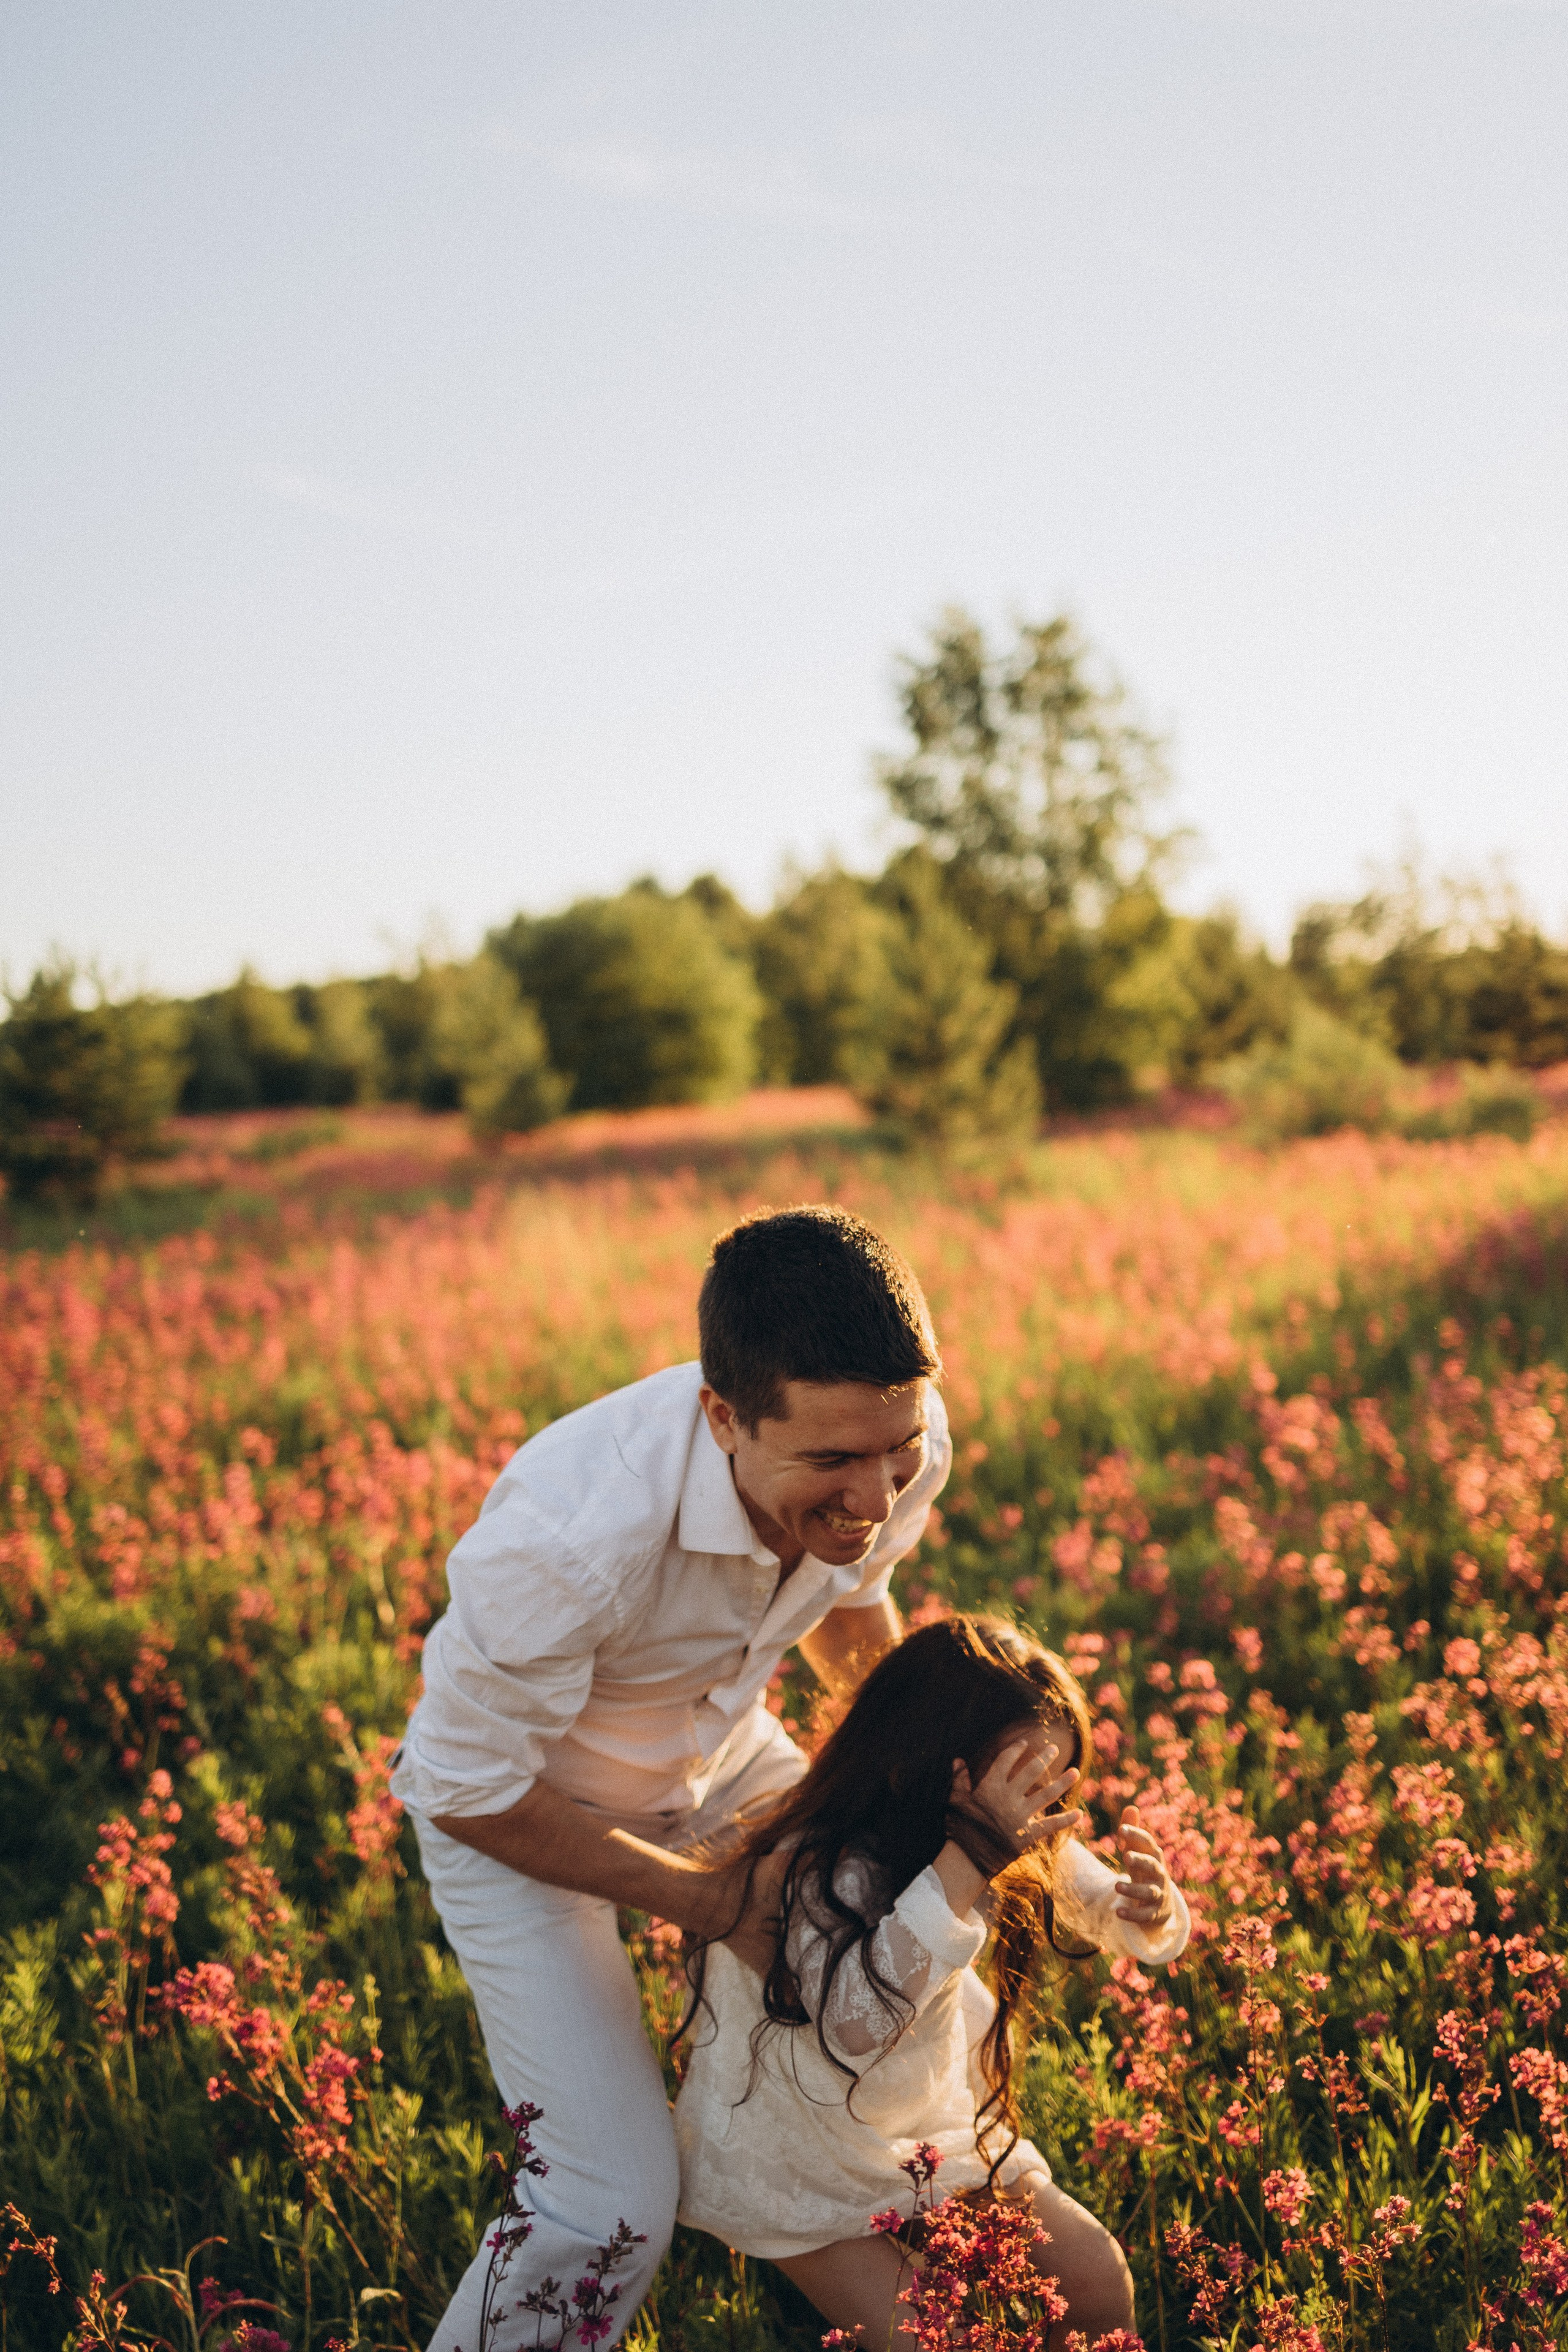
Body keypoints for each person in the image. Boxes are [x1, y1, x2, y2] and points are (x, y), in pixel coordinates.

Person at [390, 1205, 953, 2351]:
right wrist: (708, 1902)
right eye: (834, 1462)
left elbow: (853, 1607)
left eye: (894, 1453)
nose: (877, 1497)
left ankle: (851, 2291)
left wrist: (932, 1790)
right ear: (723, 1419)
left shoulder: (900, 1441)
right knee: (606, 2210)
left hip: (718, 1752)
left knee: (910, 1991)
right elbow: (461, 1785)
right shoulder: (571, 1533)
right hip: (522, 1807)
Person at [673, 1615, 1189, 2351]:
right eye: (1022, 1785)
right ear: (914, 1764)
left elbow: (1102, 1905)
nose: (1036, 1816)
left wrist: (1148, 1910)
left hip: (919, 2124)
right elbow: (854, 2028)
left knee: (1094, 2276)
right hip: (798, 2157)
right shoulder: (821, 1872)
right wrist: (963, 1866)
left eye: (1049, 1787)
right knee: (928, 2337)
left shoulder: (1001, 1823)